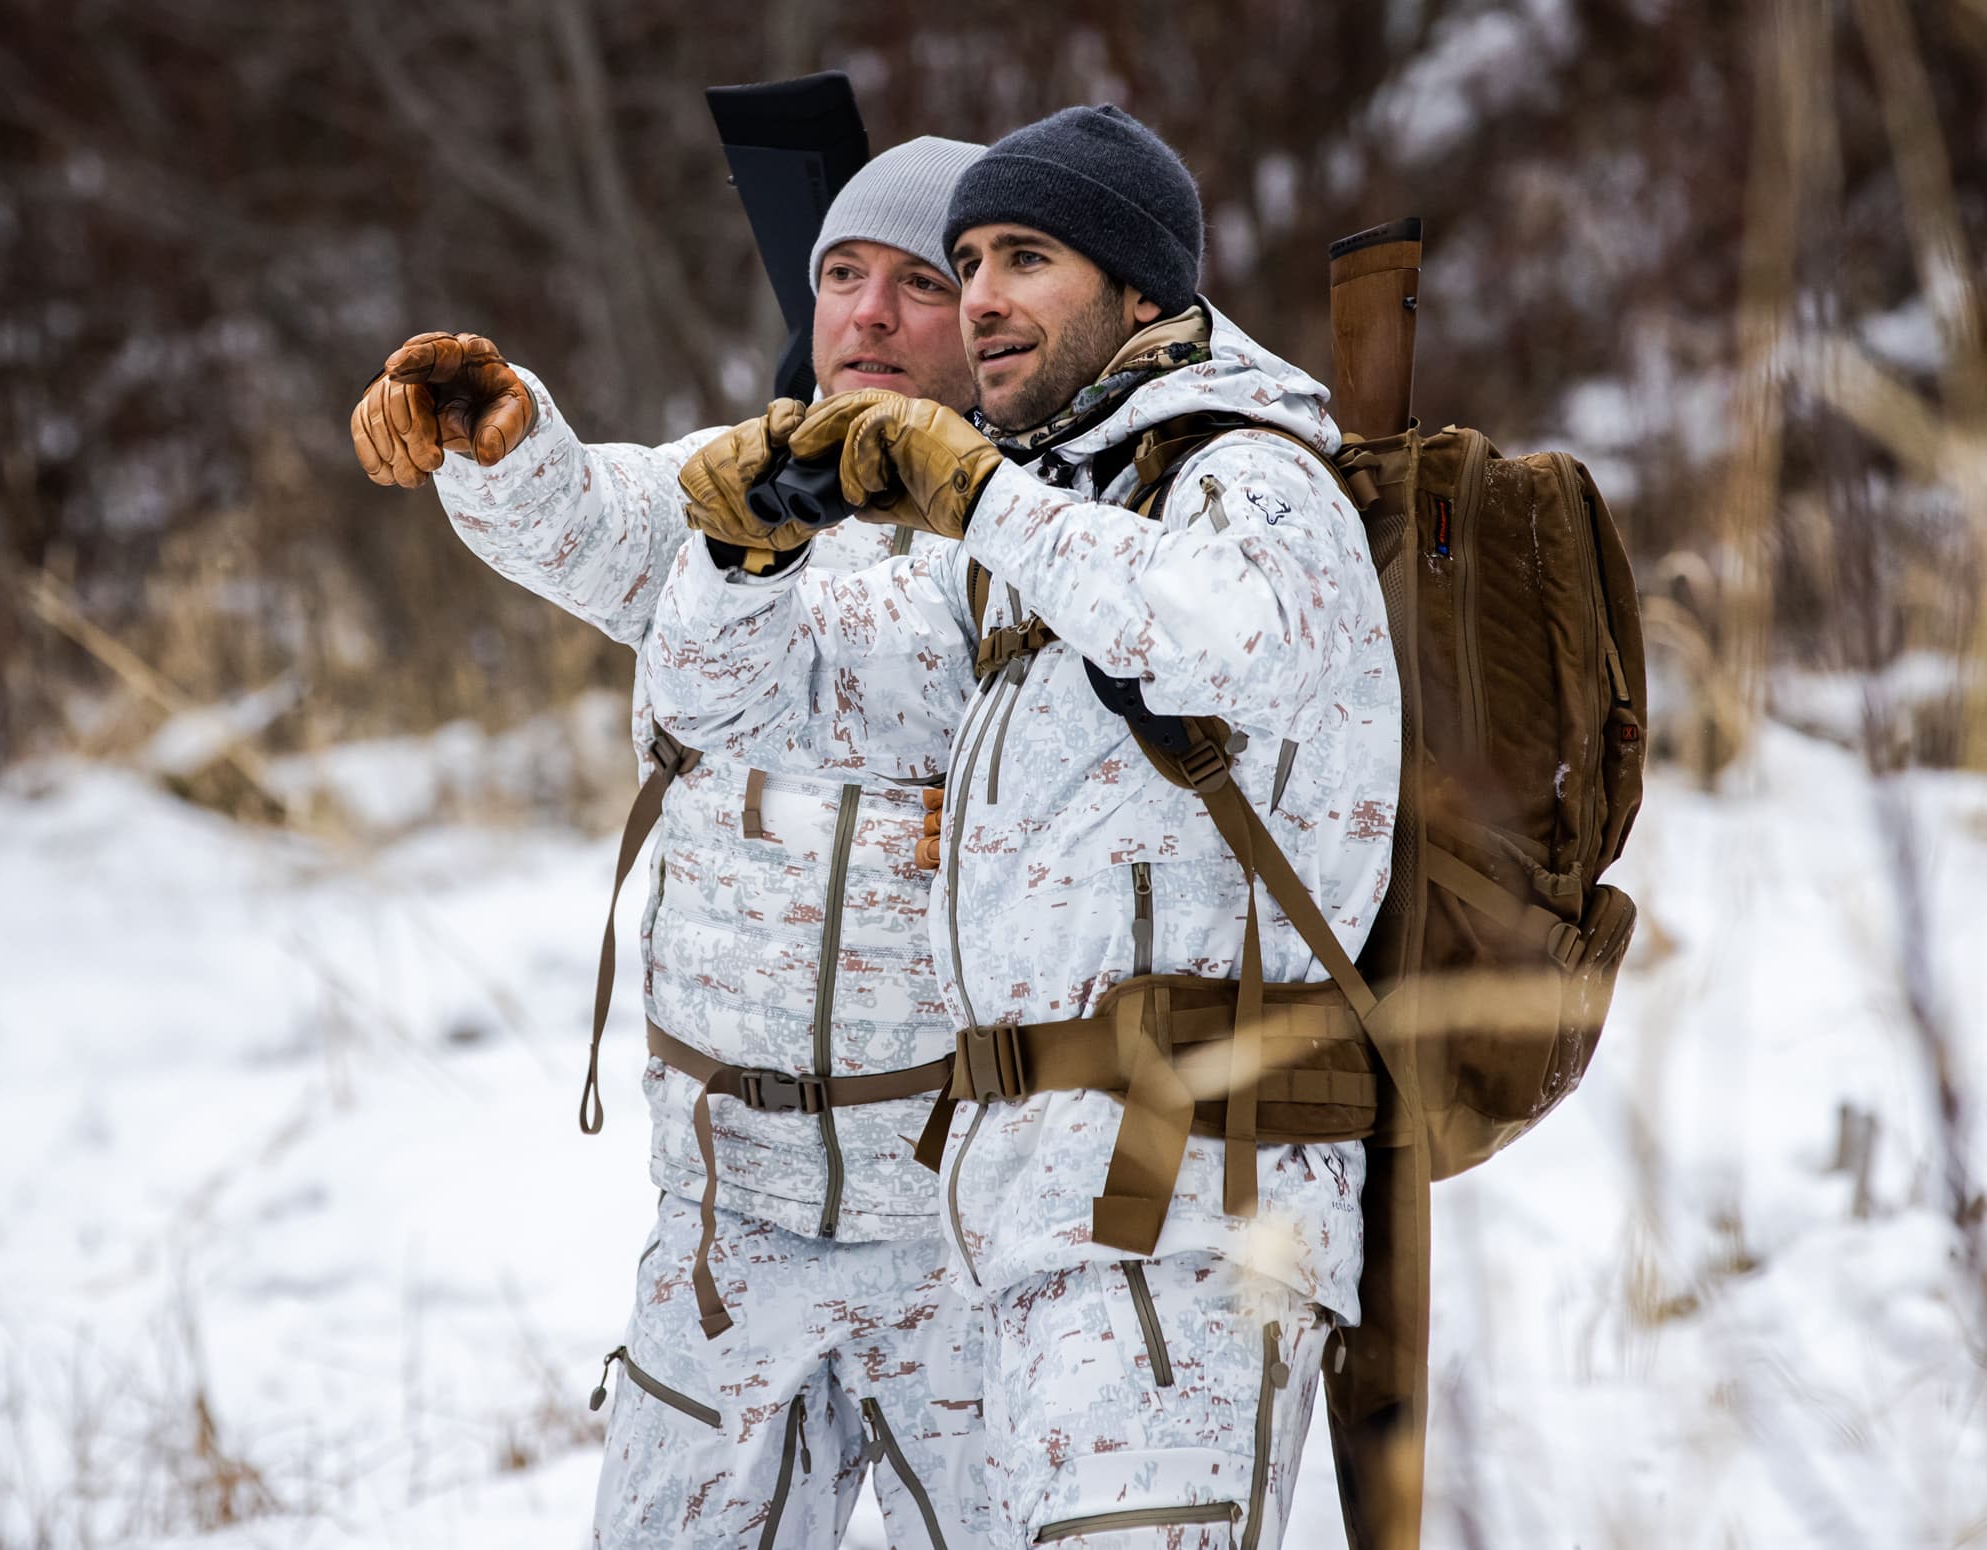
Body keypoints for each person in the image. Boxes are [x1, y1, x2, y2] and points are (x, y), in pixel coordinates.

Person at [645, 105, 1404, 1548]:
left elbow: (1226, 641)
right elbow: (714, 705)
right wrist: (745, 554)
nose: (978, 295)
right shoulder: (1069, 512)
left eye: (1028, 257)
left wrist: (984, 495)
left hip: (1189, 1225)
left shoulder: (1249, 475)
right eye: (971, 257)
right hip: (1047, 1239)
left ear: (1142, 292)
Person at [351, 136, 1000, 1549]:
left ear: (995, 314)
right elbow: (593, 513)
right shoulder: (731, 486)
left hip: (968, 1228)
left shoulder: (1038, 534)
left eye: (920, 282)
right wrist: (498, 436)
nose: (871, 315)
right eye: (842, 275)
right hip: (727, 1225)